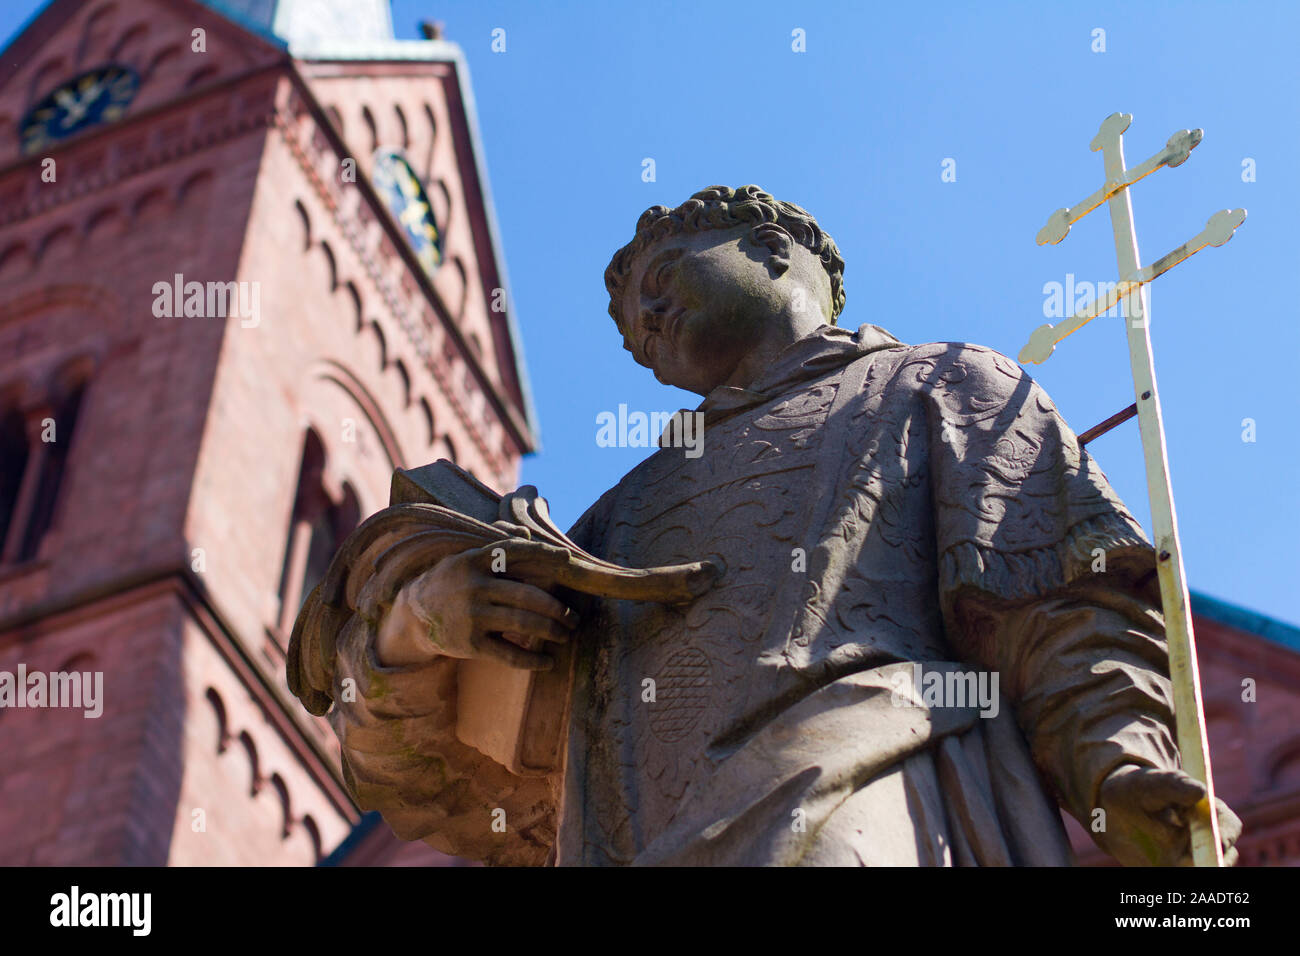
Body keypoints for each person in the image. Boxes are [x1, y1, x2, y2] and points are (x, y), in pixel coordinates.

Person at [292, 185, 1240, 866]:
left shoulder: (940, 384)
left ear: (776, 249)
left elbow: (1062, 615)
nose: (647, 319)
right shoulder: (615, 518)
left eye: (665, 277)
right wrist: (419, 622)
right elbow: (415, 771)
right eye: (633, 329)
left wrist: (1120, 771)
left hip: (865, 782)